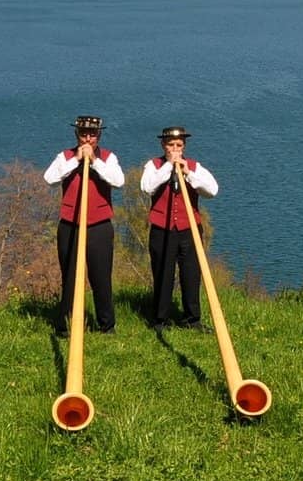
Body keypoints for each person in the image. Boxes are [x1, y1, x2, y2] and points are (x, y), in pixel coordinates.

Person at [43, 115, 124, 335]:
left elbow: (118, 181)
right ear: (76, 134)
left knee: (101, 276)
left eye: (93, 134)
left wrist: (95, 162)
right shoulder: (65, 156)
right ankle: (65, 325)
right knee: (69, 276)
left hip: (99, 226)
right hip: (70, 225)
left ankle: (107, 325)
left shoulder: (108, 158)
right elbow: (49, 178)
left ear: (99, 135)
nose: (88, 139)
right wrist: (76, 160)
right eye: (83, 134)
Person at [140, 126, 219, 331]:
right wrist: (169, 167)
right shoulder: (154, 166)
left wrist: (188, 173)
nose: (175, 149)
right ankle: (160, 319)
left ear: (184, 147)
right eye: (171, 145)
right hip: (162, 229)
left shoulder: (193, 166)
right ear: (163, 145)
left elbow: (212, 190)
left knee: (191, 274)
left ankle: (192, 319)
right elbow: (147, 187)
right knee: (163, 274)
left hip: (189, 229)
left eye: (179, 145)